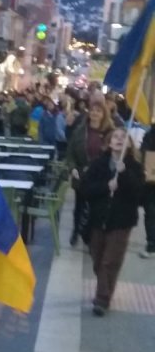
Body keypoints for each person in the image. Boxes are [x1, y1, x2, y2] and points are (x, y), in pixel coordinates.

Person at [83, 128, 145, 316]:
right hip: (98, 220)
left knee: (110, 261)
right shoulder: (99, 164)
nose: (119, 140)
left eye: (123, 137)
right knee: (98, 260)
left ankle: (102, 299)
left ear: (129, 144)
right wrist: (105, 187)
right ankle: (106, 287)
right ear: (109, 142)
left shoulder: (133, 166)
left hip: (121, 221)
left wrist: (124, 174)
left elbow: (140, 195)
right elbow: (85, 189)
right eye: (115, 137)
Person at [66, 101, 117, 246]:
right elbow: (70, 153)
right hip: (81, 175)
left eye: (99, 111)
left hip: (99, 178)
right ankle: (76, 231)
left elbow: (112, 154)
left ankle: (89, 235)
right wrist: (73, 168)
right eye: (93, 110)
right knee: (79, 207)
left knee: (96, 209)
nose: (95, 113)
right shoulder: (80, 130)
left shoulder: (110, 132)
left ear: (104, 114)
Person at [141, 126, 155, 258]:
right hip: (151, 181)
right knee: (151, 212)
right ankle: (151, 244)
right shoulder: (151, 134)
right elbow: (144, 152)